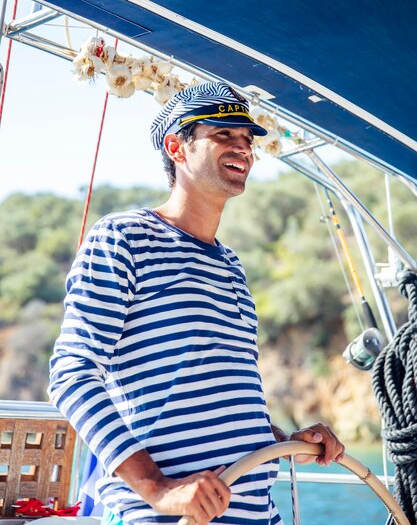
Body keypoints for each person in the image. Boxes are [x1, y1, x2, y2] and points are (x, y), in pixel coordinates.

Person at [49, 82, 344, 525]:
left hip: (256, 515)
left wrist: (288, 440)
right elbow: (71, 373)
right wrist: (158, 488)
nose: (242, 148)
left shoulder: (231, 264)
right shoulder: (124, 237)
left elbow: (215, 397)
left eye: (247, 139)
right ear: (177, 148)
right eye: (223, 135)